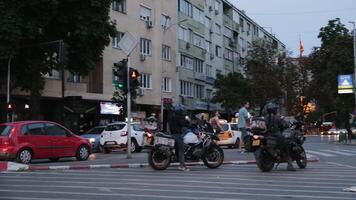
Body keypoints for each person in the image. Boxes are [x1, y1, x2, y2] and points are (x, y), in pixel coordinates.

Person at [264, 101, 296, 171]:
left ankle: (276, 155)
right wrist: (286, 124)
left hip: (267, 135)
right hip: (276, 135)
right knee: (287, 144)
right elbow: (284, 125)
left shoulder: (265, 118)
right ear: (274, 109)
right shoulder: (277, 117)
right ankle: (290, 164)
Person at [167, 104, 190, 172]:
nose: (183, 112)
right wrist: (188, 121)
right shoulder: (178, 117)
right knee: (181, 150)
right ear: (179, 111)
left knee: (177, 149)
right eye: (182, 110)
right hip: (178, 134)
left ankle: (178, 160)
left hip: (172, 134)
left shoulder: (171, 116)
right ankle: (182, 166)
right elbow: (183, 123)